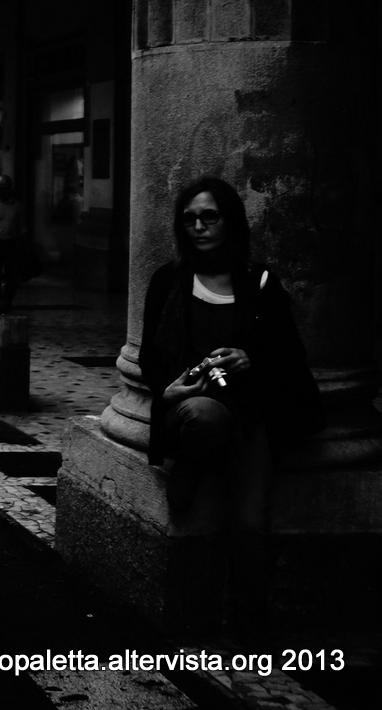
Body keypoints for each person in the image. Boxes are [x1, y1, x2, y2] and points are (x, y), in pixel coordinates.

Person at [137, 176, 323, 629]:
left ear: (230, 221)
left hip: (249, 413)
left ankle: (249, 626)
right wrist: (168, 392)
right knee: (204, 417)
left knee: (251, 521)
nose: (199, 227)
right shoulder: (169, 281)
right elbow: (148, 356)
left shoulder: (259, 282)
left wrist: (249, 358)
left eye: (210, 217)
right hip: (192, 405)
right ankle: (195, 458)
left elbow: (290, 359)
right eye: (190, 219)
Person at [0, 175, 25, 305]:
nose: (3, 191)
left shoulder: (16, 206)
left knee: (11, 275)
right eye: (1, 188)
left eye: (5, 188)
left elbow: (21, 227)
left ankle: (7, 299)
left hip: (10, 243)